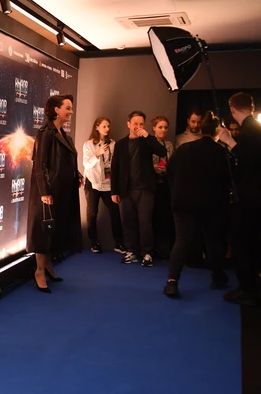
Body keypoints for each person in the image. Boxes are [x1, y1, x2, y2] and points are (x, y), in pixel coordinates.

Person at [163, 112, 232, 297]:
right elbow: (229, 179)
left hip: (183, 202)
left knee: (181, 241)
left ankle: (172, 282)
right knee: (213, 240)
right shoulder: (222, 152)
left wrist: (176, 190)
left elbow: (169, 170)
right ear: (217, 131)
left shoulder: (184, 149)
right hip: (211, 204)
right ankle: (217, 276)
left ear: (200, 130)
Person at [217, 92, 261, 306]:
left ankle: (248, 289)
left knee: (242, 242)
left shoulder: (251, 131)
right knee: (250, 242)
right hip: (258, 195)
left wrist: (228, 141)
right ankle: (251, 286)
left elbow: (247, 159)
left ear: (232, 110)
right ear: (252, 107)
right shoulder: (258, 129)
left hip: (250, 197)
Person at [28, 95, 82, 292]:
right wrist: (44, 191)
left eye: (71, 108)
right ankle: (39, 271)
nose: (71, 111)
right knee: (43, 233)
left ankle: (48, 265)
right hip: (49, 192)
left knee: (53, 231)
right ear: (56, 110)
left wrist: (78, 175)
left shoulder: (64, 134)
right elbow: (40, 164)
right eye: (68, 108)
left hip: (62, 191)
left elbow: (68, 161)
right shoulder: (45, 132)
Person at [111, 111, 167, 267]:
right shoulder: (121, 144)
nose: (138, 126)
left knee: (145, 222)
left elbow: (162, 152)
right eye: (135, 123)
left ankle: (147, 252)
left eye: (141, 124)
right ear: (128, 124)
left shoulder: (147, 141)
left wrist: (147, 136)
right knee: (127, 222)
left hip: (145, 189)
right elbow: (115, 168)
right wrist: (114, 191)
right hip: (125, 190)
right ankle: (131, 251)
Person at [82, 117, 124, 254]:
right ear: (97, 127)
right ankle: (94, 242)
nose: (107, 129)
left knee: (115, 211)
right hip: (92, 182)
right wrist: (97, 154)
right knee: (92, 213)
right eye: (104, 126)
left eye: (108, 126)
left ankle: (118, 242)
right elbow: (86, 164)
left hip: (108, 183)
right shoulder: (88, 144)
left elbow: (116, 164)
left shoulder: (113, 144)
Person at [150, 116, 175, 258]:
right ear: (154, 128)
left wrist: (167, 169)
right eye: (160, 127)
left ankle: (165, 249)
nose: (163, 130)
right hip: (152, 184)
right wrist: (153, 168)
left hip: (166, 184)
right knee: (152, 216)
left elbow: (173, 163)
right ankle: (152, 248)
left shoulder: (169, 145)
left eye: (165, 127)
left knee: (166, 217)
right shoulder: (148, 143)